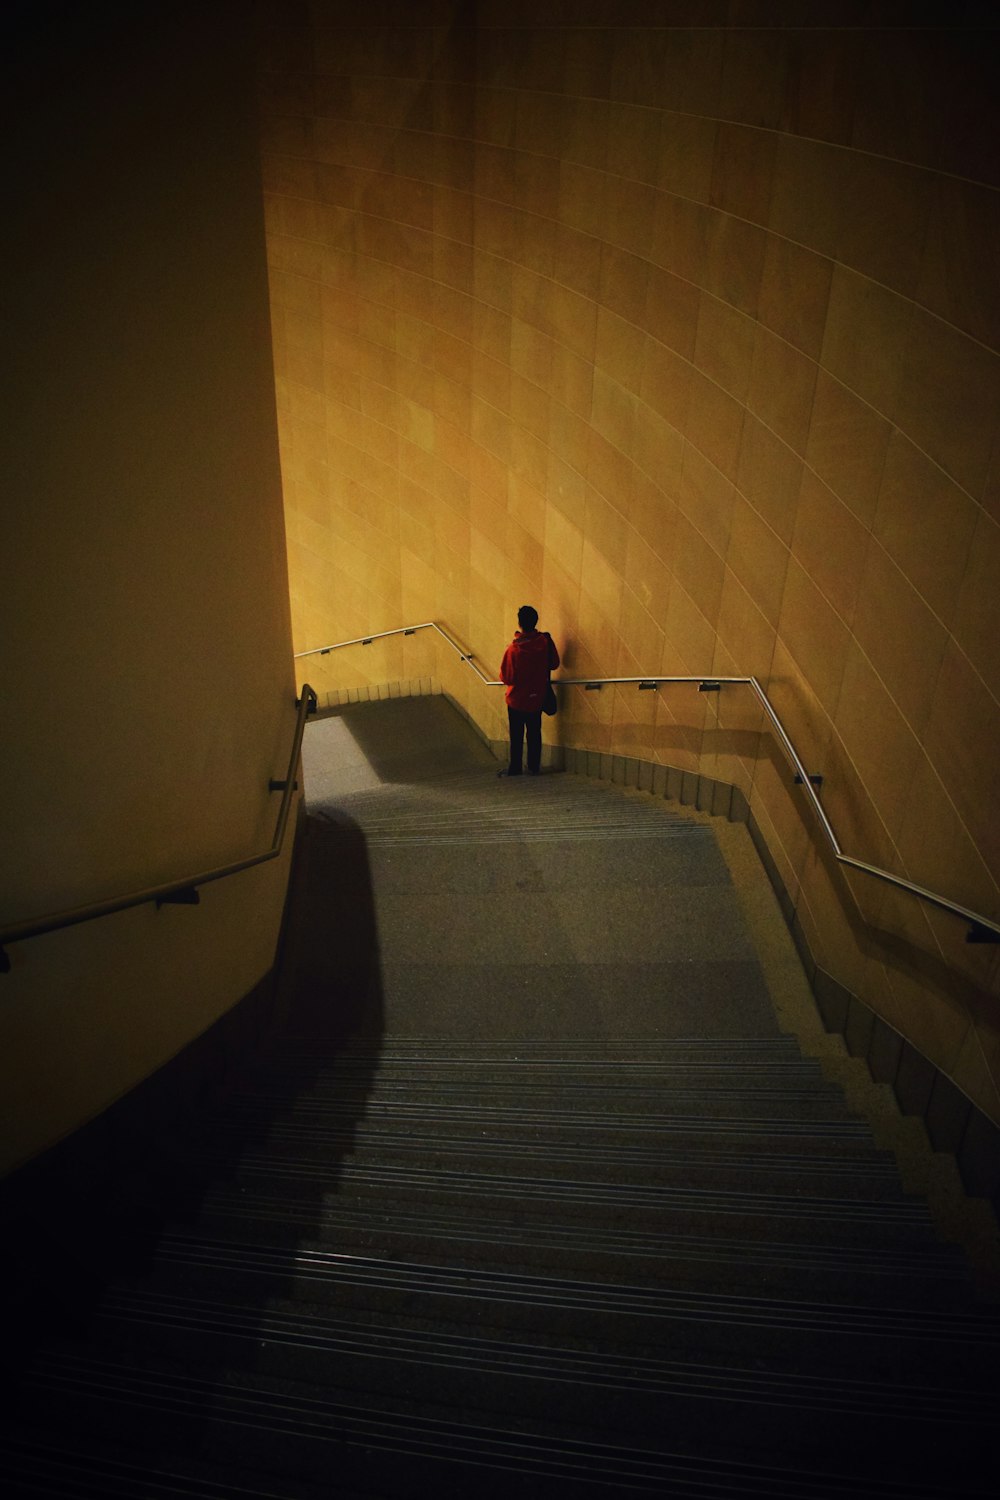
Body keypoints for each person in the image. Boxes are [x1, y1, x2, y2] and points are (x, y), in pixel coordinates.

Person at [498, 605, 560, 777]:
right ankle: (533, 767)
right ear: (535, 621)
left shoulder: (513, 649)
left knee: (516, 735)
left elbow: (506, 677)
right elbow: (554, 663)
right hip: (537, 696)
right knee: (534, 732)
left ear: (519, 623)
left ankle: (515, 768)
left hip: (517, 699)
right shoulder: (545, 641)